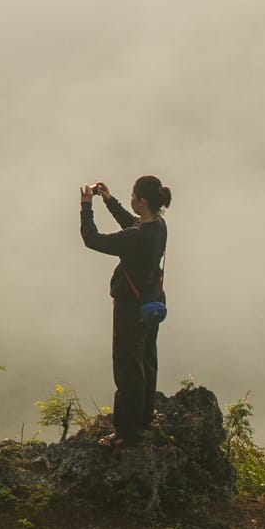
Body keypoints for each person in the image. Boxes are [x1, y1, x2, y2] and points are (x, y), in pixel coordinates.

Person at [79, 175, 171, 448]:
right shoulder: (159, 227)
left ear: (141, 202)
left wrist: (86, 205)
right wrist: (109, 200)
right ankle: (143, 418)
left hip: (130, 309)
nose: (130, 200)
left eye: (133, 196)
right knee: (146, 360)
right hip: (152, 304)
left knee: (126, 368)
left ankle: (126, 432)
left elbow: (92, 239)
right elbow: (133, 225)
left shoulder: (135, 238)